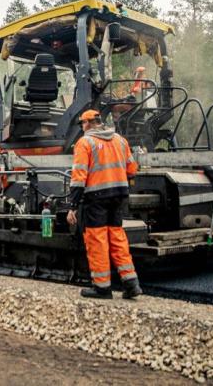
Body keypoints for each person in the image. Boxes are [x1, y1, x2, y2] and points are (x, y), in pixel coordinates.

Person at [66, 109, 142, 299]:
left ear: (88, 123)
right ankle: (131, 284)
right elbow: (132, 169)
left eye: (82, 124)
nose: (82, 127)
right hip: (118, 196)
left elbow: (78, 177)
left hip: (96, 198)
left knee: (97, 240)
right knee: (117, 237)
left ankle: (102, 288)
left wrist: (73, 206)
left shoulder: (85, 143)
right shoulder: (120, 140)